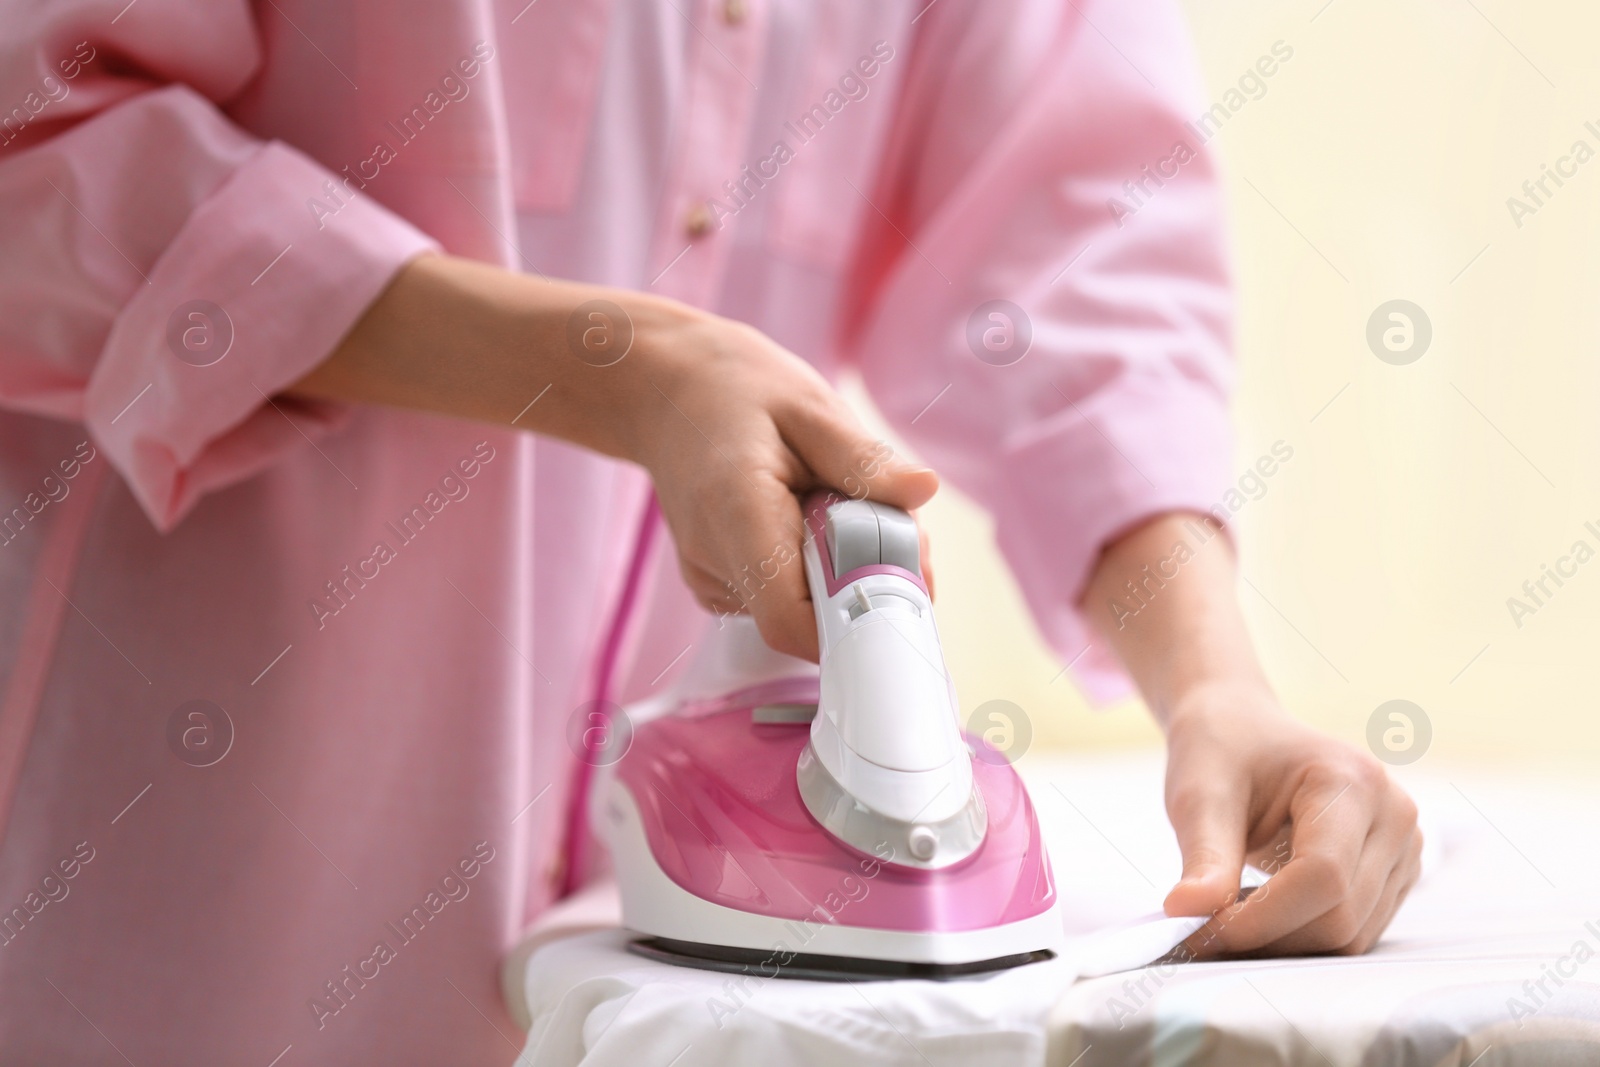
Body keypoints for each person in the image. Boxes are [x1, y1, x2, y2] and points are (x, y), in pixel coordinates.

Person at [0, 0, 1420, 1062]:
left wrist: (1218, 687)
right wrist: (612, 365)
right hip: (186, 850)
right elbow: (34, 137)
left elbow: (1083, 280)